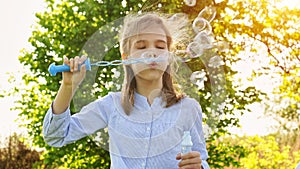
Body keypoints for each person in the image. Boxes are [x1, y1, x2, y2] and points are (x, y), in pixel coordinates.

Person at [43, 12, 210, 169]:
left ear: (169, 55)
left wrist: (199, 166)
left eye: (160, 46)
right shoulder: (111, 105)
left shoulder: (188, 108)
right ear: (126, 58)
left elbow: (201, 159)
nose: (152, 53)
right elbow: (56, 136)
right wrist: (68, 86)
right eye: (142, 46)